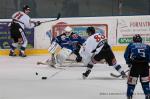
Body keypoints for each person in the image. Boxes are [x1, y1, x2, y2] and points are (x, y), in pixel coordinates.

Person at [124, 34, 150, 99]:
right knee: (145, 82)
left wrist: (129, 62)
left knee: (131, 82)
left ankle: (129, 95)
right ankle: (147, 94)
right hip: (145, 66)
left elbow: (126, 55)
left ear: (133, 40)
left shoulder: (131, 45)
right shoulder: (147, 46)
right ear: (141, 40)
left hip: (135, 66)